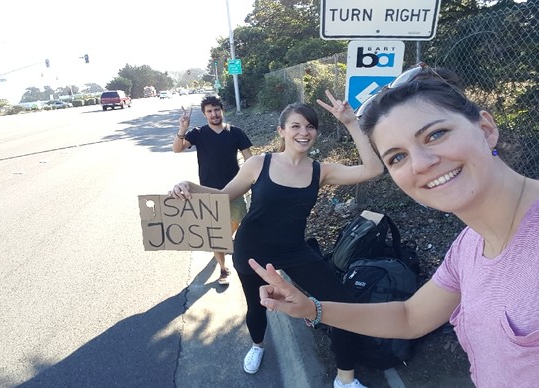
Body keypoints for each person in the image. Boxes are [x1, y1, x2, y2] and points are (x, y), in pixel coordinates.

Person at [248, 65, 539, 387]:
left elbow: (369, 168)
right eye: (397, 157)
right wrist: (310, 308)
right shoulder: (468, 248)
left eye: (436, 134)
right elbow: (410, 317)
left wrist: (350, 124)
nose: (421, 163)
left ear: (485, 129)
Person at [169, 92, 384, 388]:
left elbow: (373, 170)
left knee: (342, 303)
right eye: (295, 126)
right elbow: (221, 196)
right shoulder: (259, 164)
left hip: (294, 249)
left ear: (316, 133)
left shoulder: (321, 171)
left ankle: (345, 379)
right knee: (257, 307)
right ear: (282, 132)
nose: (303, 132)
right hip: (252, 249)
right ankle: (257, 346)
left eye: (309, 127)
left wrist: (351, 123)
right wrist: (188, 185)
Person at [172, 95, 253, 285]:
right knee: (217, 234)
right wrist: (182, 128)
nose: (214, 114)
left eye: (216, 109)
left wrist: (255, 179)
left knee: (238, 228)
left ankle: (228, 245)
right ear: (204, 114)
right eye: (209, 111)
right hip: (208, 192)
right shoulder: (198, 133)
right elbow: (177, 149)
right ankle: (223, 269)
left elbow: (250, 160)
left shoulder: (236, 132)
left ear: (222, 110)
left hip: (235, 190)